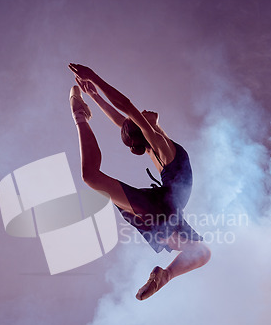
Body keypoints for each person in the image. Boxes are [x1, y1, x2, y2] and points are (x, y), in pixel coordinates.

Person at [68, 63, 210, 300]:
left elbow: (120, 120)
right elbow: (126, 107)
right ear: (144, 129)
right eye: (141, 117)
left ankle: (164, 276)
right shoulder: (159, 146)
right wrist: (95, 77)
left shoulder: (152, 147)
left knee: (201, 252)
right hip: (163, 206)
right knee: (90, 177)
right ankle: (79, 116)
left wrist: (95, 96)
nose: (143, 112)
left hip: (162, 212)